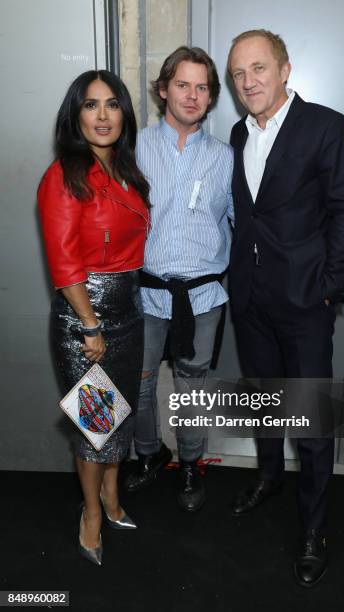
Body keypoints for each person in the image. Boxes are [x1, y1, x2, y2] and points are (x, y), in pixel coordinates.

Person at [227, 30, 344, 587]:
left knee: (310, 423)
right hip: (251, 300)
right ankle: (267, 477)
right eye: (238, 74)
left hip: (306, 302)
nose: (247, 82)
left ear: (285, 69)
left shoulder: (325, 126)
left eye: (258, 68)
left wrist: (329, 287)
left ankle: (314, 527)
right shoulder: (239, 133)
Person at [38, 70, 150, 566]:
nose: (102, 116)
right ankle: (91, 514)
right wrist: (89, 324)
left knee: (116, 418)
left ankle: (110, 497)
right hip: (87, 320)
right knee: (95, 425)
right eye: (90, 105)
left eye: (112, 105)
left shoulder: (128, 170)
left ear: (125, 113)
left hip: (129, 310)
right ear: (75, 115)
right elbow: (64, 264)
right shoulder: (65, 175)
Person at [124, 47, 234, 512]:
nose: (192, 95)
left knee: (193, 389)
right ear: (164, 89)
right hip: (146, 293)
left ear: (211, 98)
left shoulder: (228, 158)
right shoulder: (134, 149)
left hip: (202, 296)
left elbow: (243, 223)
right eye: (183, 85)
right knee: (140, 385)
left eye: (202, 87)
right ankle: (151, 454)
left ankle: (190, 463)